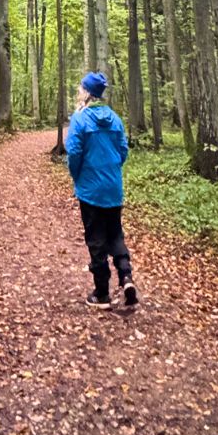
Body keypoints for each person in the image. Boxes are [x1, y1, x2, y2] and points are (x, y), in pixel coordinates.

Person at [65, 72, 139, 309]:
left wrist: (77, 176)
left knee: (96, 238)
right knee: (115, 233)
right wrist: (112, 170)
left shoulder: (80, 119)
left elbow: (74, 153)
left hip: (91, 189)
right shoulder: (115, 119)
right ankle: (126, 276)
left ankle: (102, 293)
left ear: (87, 92)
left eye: (80, 88)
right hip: (113, 187)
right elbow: (123, 150)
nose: (79, 91)